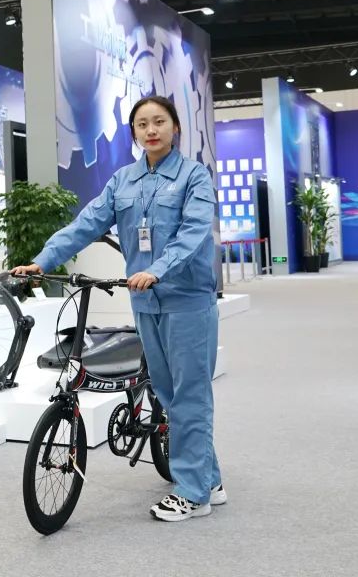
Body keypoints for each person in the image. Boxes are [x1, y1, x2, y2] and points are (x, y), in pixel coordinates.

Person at [12, 95, 224, 523]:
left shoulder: (193, 176)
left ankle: (193, 494)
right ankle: (208, 479)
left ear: (175, 127)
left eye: (159, 121)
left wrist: (158, 270)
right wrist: (43, 260)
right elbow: (87, 223)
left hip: (187, 301)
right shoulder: (123, 180)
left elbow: (194, 232)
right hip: (145, 301)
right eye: (142, 124)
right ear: (134, 132)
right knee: (169, 394)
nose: (151, 130)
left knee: (190, 395)